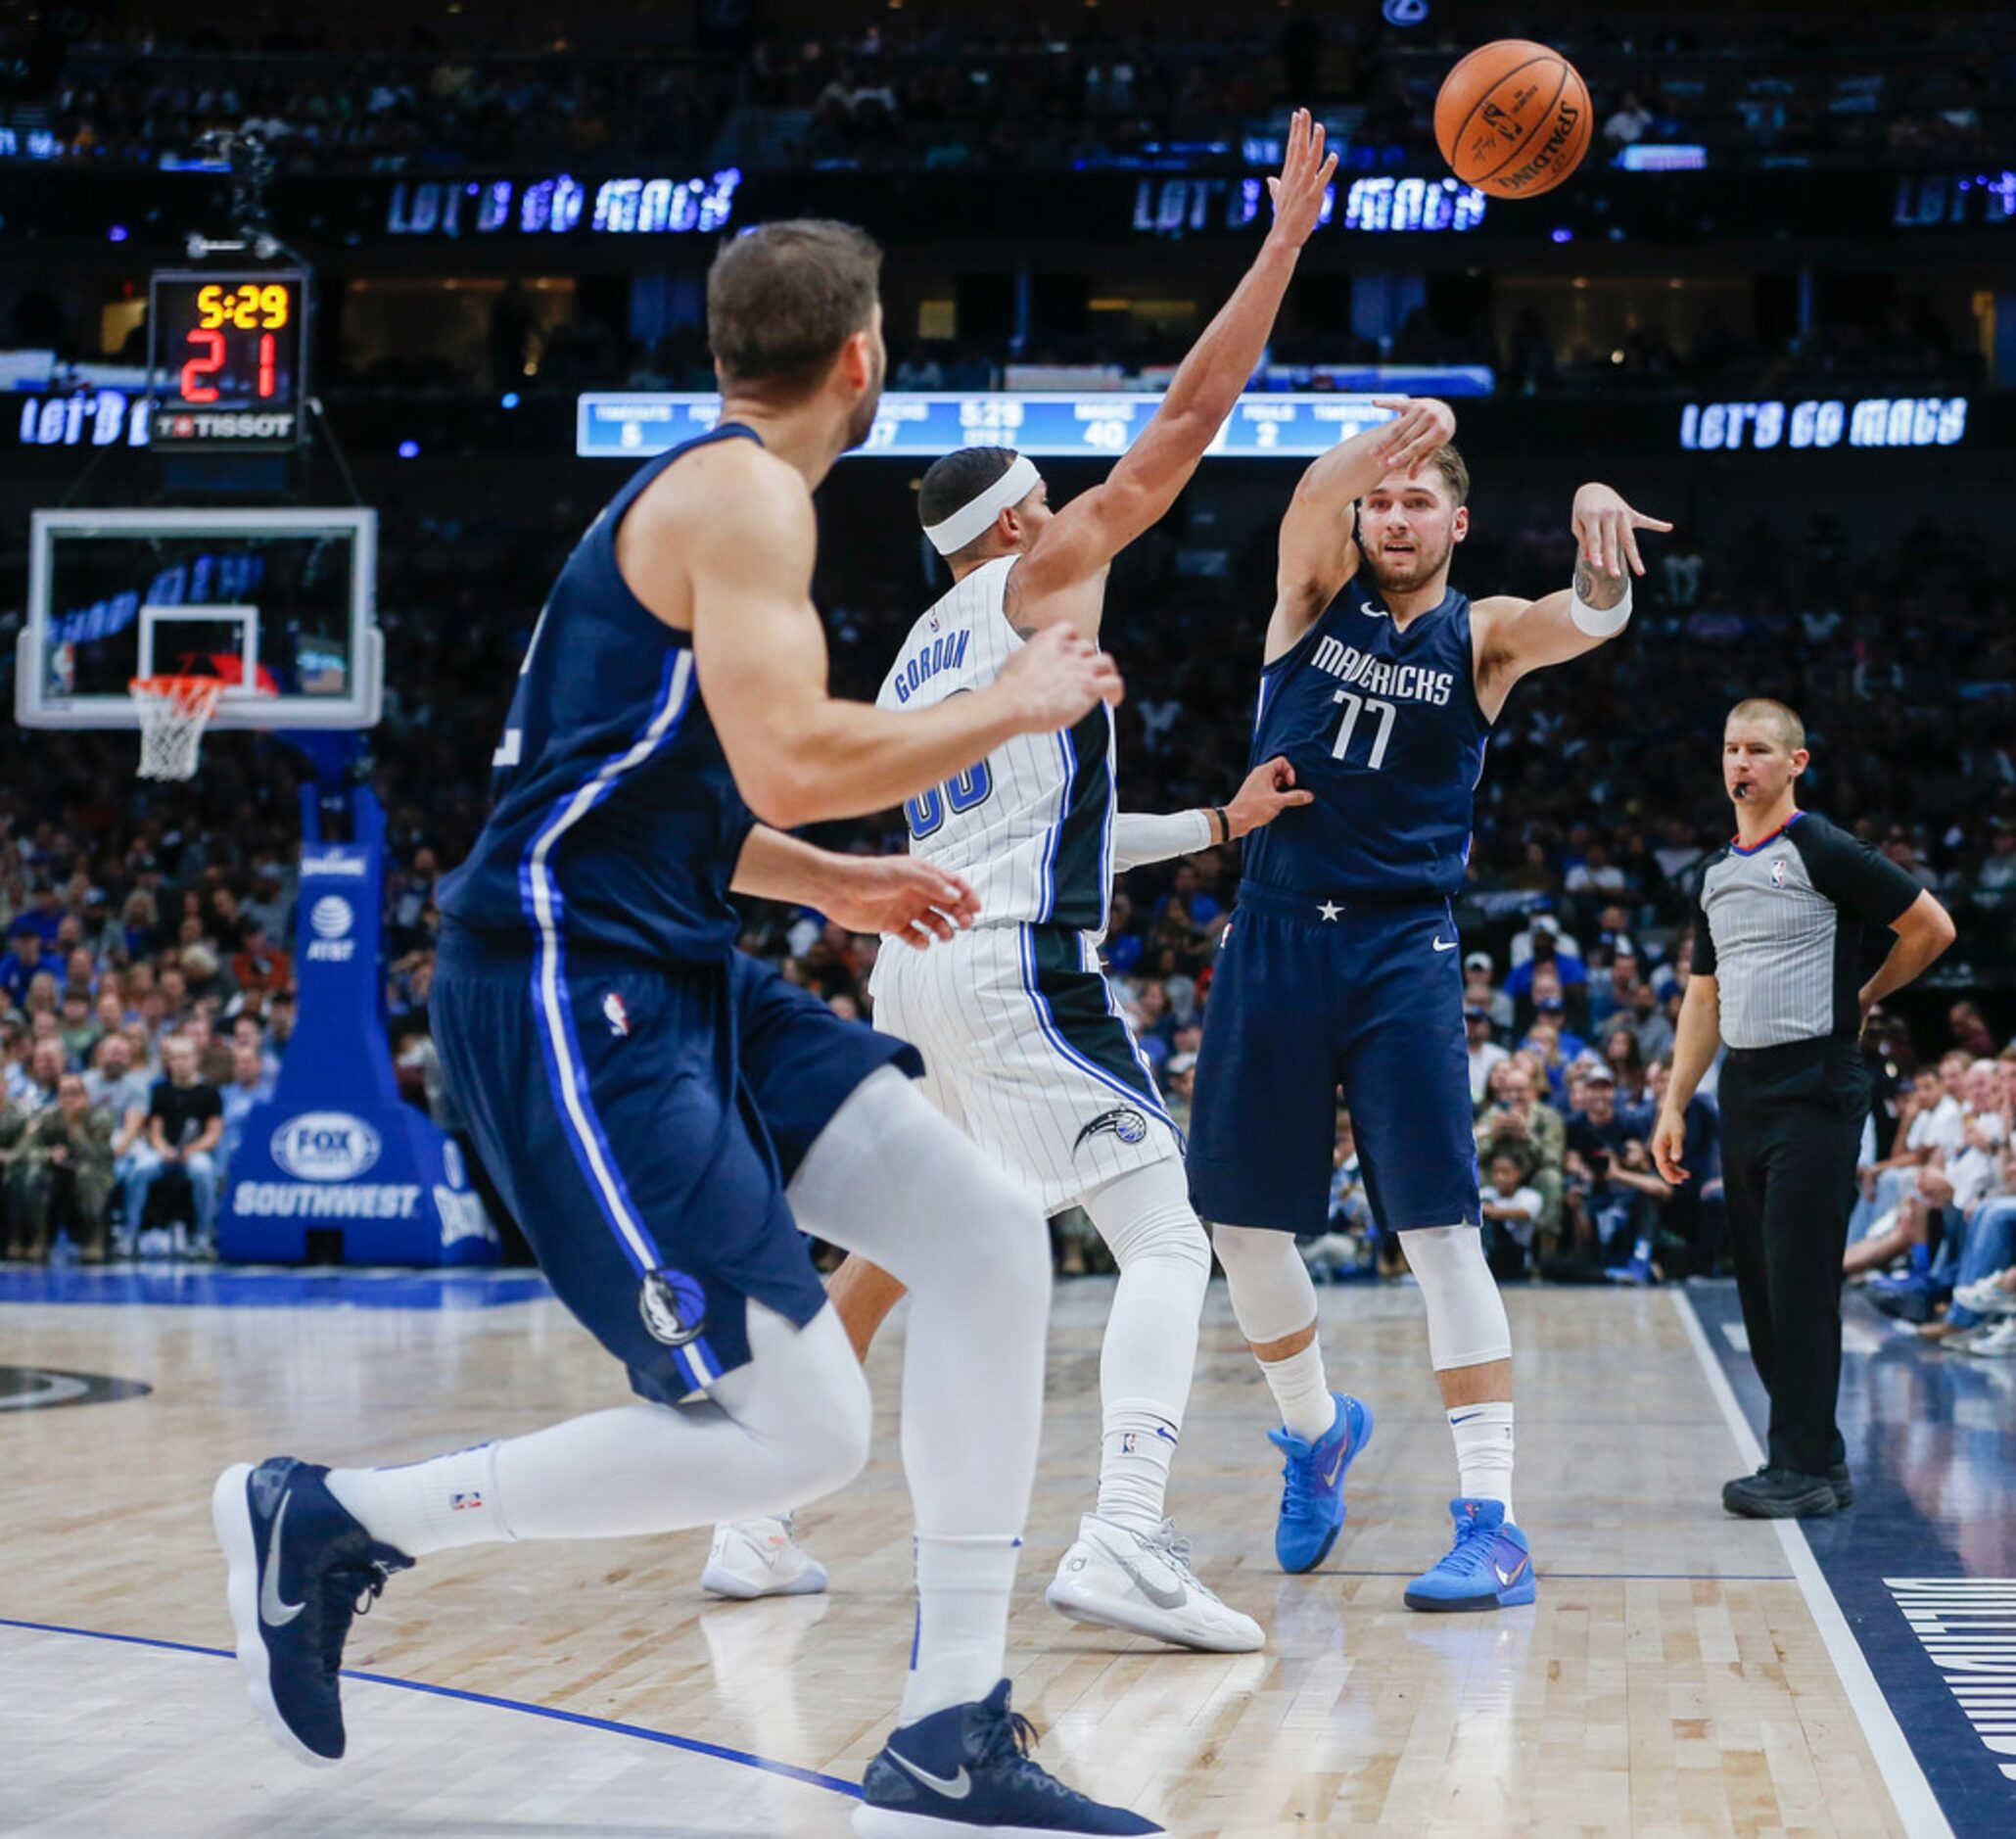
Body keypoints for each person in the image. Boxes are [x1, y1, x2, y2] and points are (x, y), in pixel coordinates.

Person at [210, 215, 1159, 1839]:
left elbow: (682, 797)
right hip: (566, 991)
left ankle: (947, 1727)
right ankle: (336, 1514)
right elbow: (784, 755)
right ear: (859, 357)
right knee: (792, 1432)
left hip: (675, 962)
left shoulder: (713, 505)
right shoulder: (739, 498)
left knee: (992, 1238)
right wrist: (1012, 701)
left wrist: (830, 882)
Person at [705, 112, 1342, 1655]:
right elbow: (1185, 423)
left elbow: (1039, 825)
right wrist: (1276, 249)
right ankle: (1121, 1534)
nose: (1075, 509)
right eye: (1050, 498)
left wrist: (1208, 819)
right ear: (1010, 525)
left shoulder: (929, 645)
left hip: (922, 964)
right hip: (1001, 962)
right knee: (1168, 1233)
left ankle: (753, 1508)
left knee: (894, 1247)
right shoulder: (1039, 576)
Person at [1187, 401, 1670, 1612]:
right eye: (1380, 501)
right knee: (1241, 1231)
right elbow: (1308, 499)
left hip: (1402, 942)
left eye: (1417, 501)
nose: (1394, 517)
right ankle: (1314, 1433)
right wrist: (1379, 445)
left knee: (1439, 1233)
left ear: (1456, 522)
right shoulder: (1308, 597)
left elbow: (1587, 621)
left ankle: (1491, 1523)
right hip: (1276, 925)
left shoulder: (1483, 634)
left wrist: (1599, 547)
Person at [1653, 698, 1955, 1518]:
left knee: (1798, 1277)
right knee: (1757, 1282)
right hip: (1743, 1088)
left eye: (1756, 749)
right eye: (1728, 749)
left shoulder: (1821, 847)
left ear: (1795, 763)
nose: (1738, 764)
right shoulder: (1714, 873)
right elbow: (1701, 998)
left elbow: (1930, 927)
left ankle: (1801, 1468)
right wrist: (1675, 1102)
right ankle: (1811, 1459)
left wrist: (1863, 995)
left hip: (1816, 1083)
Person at [124, 1033, 223, 1251]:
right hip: (164, 1153)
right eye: (175, 1058)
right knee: (140, 1170)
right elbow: (155, 1132)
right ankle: (129, 1235)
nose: (180, 1063)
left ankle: (204, 1237)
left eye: (185, 1057)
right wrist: (164, 1150)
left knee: (203, 1171)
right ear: (168, 1062)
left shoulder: (210, 1093)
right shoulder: (160, 1092)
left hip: (195, 1152)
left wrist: (191, 1150)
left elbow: (213, 1134)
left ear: (196, 1059)